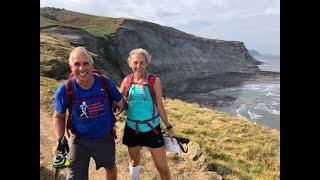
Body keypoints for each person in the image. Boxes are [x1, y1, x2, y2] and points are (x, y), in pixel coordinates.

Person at [52, 46, 125, 180]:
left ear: (92, 64)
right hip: (78, 140)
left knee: (110, 167)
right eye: (77, 64)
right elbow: (58, 116)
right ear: (70, 66)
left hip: (105, 138)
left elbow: (121, 103)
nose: (82, 68)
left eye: (85, 63)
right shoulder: (65, 89)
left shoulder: (105, 83)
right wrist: (60, 139)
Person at [120, 48, 176, 180]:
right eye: (135, 62)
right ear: (130, 64)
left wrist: (169, 127)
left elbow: (160, 106)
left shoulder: (154, 81)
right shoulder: (127, 80)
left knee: (162, 167)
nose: (138, 66)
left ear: (146, 64)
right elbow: (118, 100)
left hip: (152, 129)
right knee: (134, 162)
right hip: (132, 128)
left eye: (141, 62)